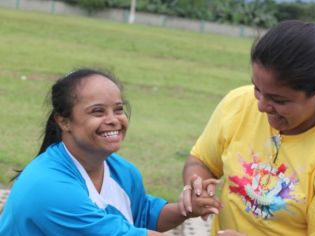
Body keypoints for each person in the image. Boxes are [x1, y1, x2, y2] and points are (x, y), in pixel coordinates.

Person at [180, 20, 315, 236]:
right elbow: (201, 161)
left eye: (278, 100)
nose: (261, 106)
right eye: (257, 89)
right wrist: (195, 185)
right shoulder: (239, 103)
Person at [0, 68, 221, 235]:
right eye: (98, 111)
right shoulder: (48, 186)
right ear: (64, 121)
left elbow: (143, 214)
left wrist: (187, 207)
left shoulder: (122, 171)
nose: (113, 120)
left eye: (118, 109)